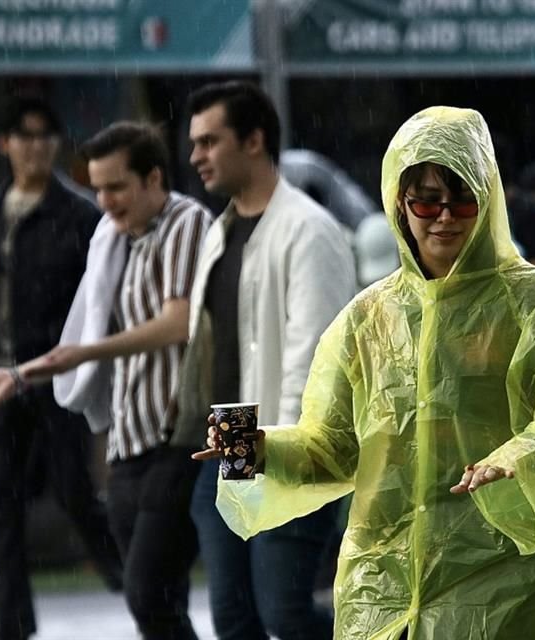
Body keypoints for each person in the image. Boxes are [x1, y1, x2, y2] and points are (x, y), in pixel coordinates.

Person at [196, 106, 535, 640]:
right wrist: (261, 446)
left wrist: (517, 457)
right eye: (427, 200)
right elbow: (333, 449)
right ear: (399, 203)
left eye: (463, 199)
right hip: (383, 595)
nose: (445, 217)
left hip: (506, 587)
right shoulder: (367, 318)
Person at [0, 121, 212, 639]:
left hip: (189, 436)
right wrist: (25, 373)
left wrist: (78, 355)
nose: (105, 202)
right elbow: (84, 330)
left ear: (153, 178)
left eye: (116, 187)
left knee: (155, 590)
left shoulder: (188, 222)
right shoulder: (113, 239)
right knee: (158, 605)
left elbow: (179, 323)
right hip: (129, 439)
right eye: (98, 188)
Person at [181, 80, 355, 640]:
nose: (196, 157)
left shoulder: (310, 231)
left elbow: (314, 357)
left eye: (209, 141)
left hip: (281, 448)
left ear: (254, 140)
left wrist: (281, 455)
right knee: (234, 619)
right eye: (194, 143)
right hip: (223, 448)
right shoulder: (220, 231)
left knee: (286, 613)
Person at [0, 96, 121, 640]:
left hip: (57, 374)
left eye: (45, 135)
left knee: (75, 493)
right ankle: (11, 627)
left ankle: (134, 583)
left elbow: (98, 299)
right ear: (5, 144)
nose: (35, 145)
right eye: (24, 135)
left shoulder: (81, 214)